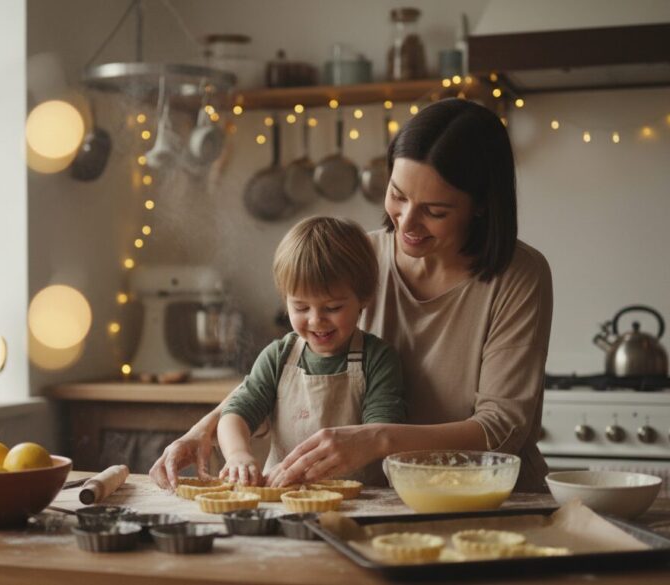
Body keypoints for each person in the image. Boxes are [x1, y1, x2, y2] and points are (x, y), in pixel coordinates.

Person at [150, 98, 552, 492]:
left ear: (481, 206)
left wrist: (377, 440)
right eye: (397, 195)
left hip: (489, 496)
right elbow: (282, 364)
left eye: (435, 211)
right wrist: (204, 429)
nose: (407, 223)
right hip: (390, 498)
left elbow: (501, 429)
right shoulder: (363, 254)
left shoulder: (518, 276)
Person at [217, 216, 405, 486]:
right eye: (301, 308)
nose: (316, 320)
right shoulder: (278, 357)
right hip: (282, 498)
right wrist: (237, 455)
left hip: (359, 501)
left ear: (363, 299)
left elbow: (380, 436)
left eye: (332, 308)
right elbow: (235, 414)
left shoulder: (378, 360)